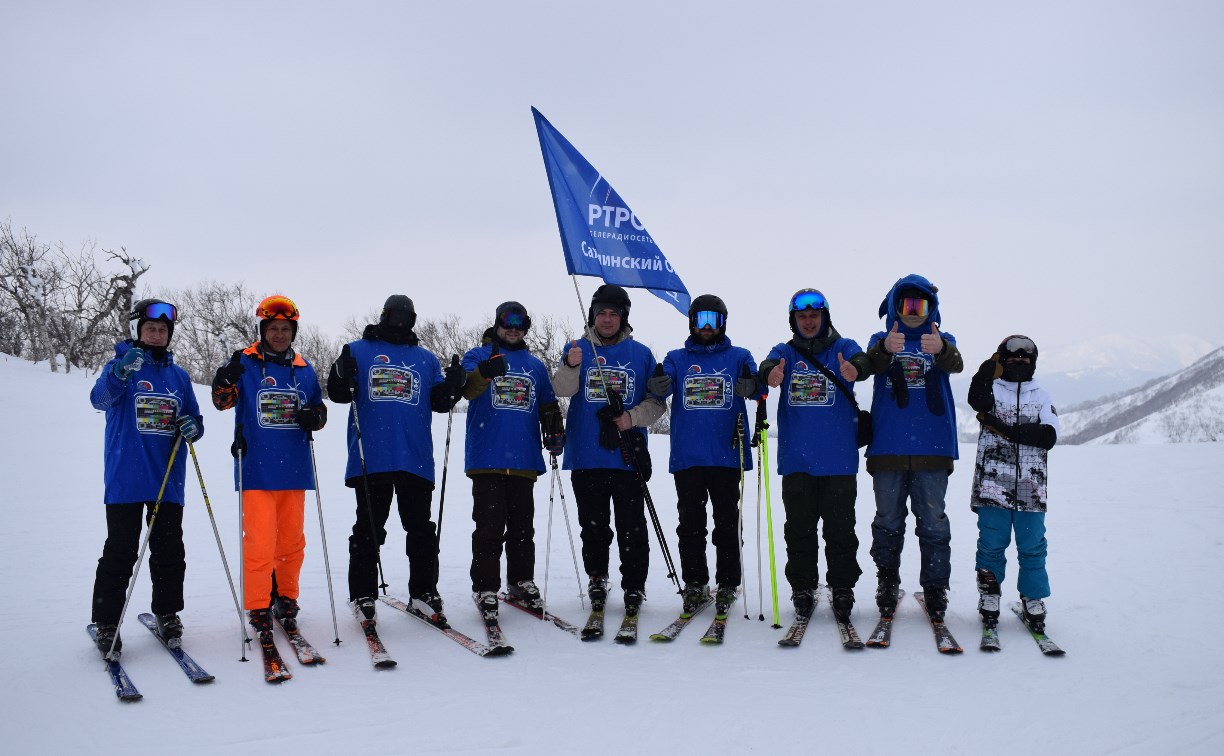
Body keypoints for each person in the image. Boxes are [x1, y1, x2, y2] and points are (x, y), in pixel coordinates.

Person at [327, 295, 465, 627]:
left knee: (420, 529)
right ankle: (363, 593)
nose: (400, 322)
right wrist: (339, 374)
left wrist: (454, 386)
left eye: (407, 317)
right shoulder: (357, 350)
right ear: (384, 316)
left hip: (414, 458)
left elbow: (439, 402)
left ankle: (423, 592)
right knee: (369, 529)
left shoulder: (425, 359)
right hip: (371, 457)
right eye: (395, 315)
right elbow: (338, 393)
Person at [90, 299, 203, 657]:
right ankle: (108, 622)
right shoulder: (121, 366)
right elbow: (100, 399)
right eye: (150, 329)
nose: (156, 334)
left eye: (162, 330)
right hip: (126, 479)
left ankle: (167, 614)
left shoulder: (179, 377)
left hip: (167, 480)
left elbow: (195, 420)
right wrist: (120, 373)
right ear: (138, 331)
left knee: (169, 551)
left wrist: (193, 426)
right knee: (120, 552)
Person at [211, 294, 327, 640]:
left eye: (285, 329)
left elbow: (318, 410)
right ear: (263, 329)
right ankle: (259, 604)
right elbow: (222, 402)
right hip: (257, 469)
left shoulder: (304, 369)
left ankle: (286, 599)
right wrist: (223, 381)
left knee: (291, 542)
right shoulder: (245, 362)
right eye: (273, 328)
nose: (279, 334)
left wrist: (315, 416)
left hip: (294, 469)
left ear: (293, 331)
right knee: (260, 542)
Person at [756, 289, 871, 624]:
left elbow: (861, 360)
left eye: (814, 316)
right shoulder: (785, 352)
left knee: (840, 529)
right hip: (797, 461)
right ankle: (803, 586)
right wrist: (769, 374)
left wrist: (855, 370)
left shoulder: (843, 347)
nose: (808, 321)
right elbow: (767, 364)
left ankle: (842, 587)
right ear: (794, 320)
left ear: (825, 317)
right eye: (802, 317)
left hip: (838, 461)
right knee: (799, 529)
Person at [551, 284, 665, 616]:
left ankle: (634, 584)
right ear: (592, 316)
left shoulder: (641, 354)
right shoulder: (577, 348)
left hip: (627, 457)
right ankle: (597, 577)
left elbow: (656, 404)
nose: (607, 319)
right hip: (586, 455)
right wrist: (571, 365)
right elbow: (560, 388)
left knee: (632, 525)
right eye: (601, 312)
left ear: (623, 318)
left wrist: (632, 418)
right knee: (594, 525)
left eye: (614, 313)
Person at [650, 294, 758, 616]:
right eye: (701, 320)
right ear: (692, 323)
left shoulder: (739, 355)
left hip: (726, 455)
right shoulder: (677, 357)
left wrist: (751, 385)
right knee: (691, 525)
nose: (707, 326)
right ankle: (695, 584)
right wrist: (658, 383)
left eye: (713, 319)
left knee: (726, 524)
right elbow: (662, 387)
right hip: (689, 457)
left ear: (723, 322)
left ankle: (727, 584)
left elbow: (755, 383)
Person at [863, 274, 963, 620]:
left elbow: (956, 363)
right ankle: (887, 582)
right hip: (888, 449)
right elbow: (869, 365)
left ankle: (935, 588)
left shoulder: (941, 338)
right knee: (888, 520)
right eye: (906, 304)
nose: (913, 312)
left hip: (933, 448)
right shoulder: (883, 338)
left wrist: (944, 351)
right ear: (895, 307)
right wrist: (883, 350)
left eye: (920, 304)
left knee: (933, 521)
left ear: (931, 307)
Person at [460, 301, 565, 626]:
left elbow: (547, 404)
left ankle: (520, 582)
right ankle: (485, 588)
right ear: (498, 323)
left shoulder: (534, 365)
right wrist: (483, 372)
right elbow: (466, 389)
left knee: (522, 528)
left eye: (521, 323)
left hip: (523, 458)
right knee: (490, 527)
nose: (514, 328)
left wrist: (554, 428)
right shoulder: (478, 355)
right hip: (487, 457)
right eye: (508, 322)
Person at [967, 335, 1060, 631]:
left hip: (1030, 487)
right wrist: (985, 370)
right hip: (992, 484)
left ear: (1033, 362)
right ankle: (990, 594)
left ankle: (1032, 596)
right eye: (1012, 356)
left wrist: (1009, 430)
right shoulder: (991, 389)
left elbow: (1049, 436)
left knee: (1032, 545)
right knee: (991, 544)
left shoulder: (1042, 396)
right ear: (1001, 360)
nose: (1019, 360)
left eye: (1026, 356)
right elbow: (976, 400)